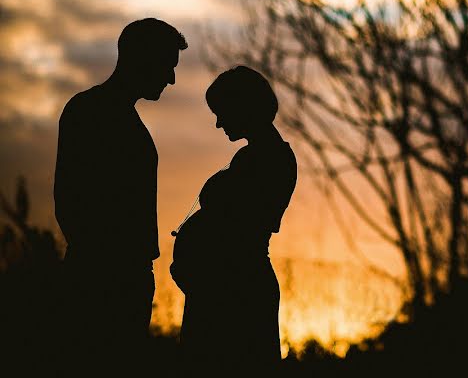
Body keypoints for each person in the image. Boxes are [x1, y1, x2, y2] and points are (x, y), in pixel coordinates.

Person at [54, 18, 187, 372]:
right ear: (142, 59)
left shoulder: (116, 117)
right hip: (103, 281)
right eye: (167, 66)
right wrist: (106, 272)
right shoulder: (89, 111)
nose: (171, 79)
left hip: (125, 278)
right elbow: (69, 200)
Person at [170, 65, 297, 373]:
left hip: (236, 293)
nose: (218, 123)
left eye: (222, 112)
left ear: (244, 107)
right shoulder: (252, 156)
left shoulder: (272, 160)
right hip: (219, 288)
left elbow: (236, 230)